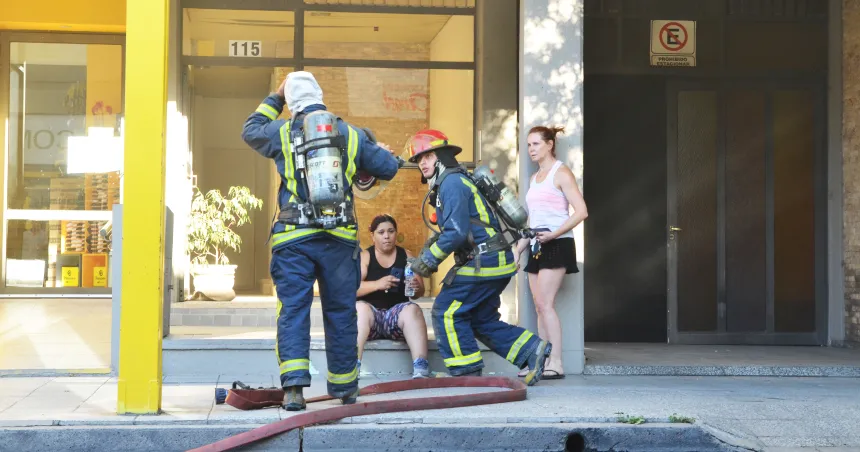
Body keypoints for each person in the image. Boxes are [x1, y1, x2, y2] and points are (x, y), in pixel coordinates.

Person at [241, 71, 401, 411]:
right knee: (341, 312)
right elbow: (388, 168)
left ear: (292, 102)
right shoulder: (350, 133)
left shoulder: (283, 131)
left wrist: (275, 97)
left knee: (293, 311)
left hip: (293, 241)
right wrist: (375, 153)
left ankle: (294, 390)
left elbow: (250, 130)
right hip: (339, 241)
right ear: (320, 96)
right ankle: (346, 389)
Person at [406, 129, 552, 385]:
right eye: (419, 160)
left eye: (427, 156)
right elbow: (454, 230)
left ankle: (465, 374)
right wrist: (425, 255)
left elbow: (455, 233)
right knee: (479, 319)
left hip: (484, 262)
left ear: (441, 156)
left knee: (446, 311)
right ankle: (532, 349)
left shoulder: (451, 183)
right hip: (494, 260)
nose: (423, 163)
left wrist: (426, 263)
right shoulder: (455, 181)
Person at [514, 126, 588, 380]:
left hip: (557, 243)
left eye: (536, 144)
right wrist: (518, 250)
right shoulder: (534, 178)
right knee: (538, 306)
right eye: (529, 145)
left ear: (550, 144)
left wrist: (554, 234)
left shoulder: (561, 172)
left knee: (546, 304)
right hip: (536, 244)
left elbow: (581, 211)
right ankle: (541, 359)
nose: (531, 149)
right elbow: (531, 220)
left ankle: (556, 361)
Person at [356, 214, 430, 379]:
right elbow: (351, 289)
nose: (386, 236)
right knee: (359, 309)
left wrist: (416, 287)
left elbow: (419, 293)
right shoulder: (365, 256)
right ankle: (353, 366)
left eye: (390, 231)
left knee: (413, 309)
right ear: (373, 236)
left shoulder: (408, 256)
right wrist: (377, 284)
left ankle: (421, 367)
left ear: (396, 233)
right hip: (371, 319)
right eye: (381, 232)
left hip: (396, 319)